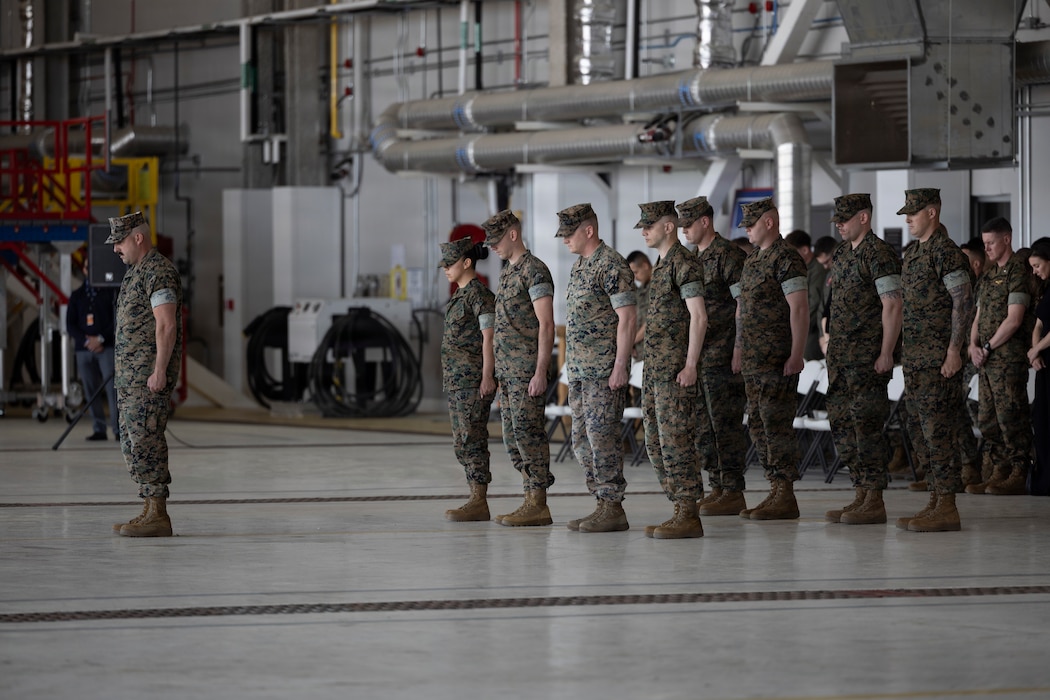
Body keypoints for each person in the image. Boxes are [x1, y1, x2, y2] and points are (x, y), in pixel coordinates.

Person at [895, 188, 973, 532]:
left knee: (940, 432)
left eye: (913, 213)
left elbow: (963, 304)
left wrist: (955, 350)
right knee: (922, 432)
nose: (908, 219)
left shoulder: (947, 253)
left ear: (932, 213)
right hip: (915, 359)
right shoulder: (914, 254)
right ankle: (935, 500)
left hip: (939, 359)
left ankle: (947, 506)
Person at [822, 194, 902, 525]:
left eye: (845, 218)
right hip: (841, 359)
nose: (839, 224)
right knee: (843, 426)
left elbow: (893, 306)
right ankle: (860, 492)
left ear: (864, 218)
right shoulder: (841, 255)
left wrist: (886, 352)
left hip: (868, 359)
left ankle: (875, 497)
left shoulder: (880, 254)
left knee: (867, 426)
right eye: (837, 219)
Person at [558, 203, 637, 533]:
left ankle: (612, 505)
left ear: (588, 230)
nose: (564, 240)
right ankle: (601, 502)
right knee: (580, 440)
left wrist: (620, 366)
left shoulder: (612, 265)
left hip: (603, 371)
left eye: (569, 233)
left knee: (602, 437)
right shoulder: (579, 266)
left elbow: (628, 318)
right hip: (579, 371)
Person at [108, 211, 183, 538]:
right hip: (130, 379)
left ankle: (158, 514)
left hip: (146, 378)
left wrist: (159, 371)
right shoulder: (136, 271)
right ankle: (149, 507)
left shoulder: (158, 271)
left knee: (147, 439)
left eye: (120, 241)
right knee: (133, 442)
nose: (115, 249)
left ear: (138, 237)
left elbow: (166, 324)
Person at [636, 200, 708, 539]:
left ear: (668, 226)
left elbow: (699, 316)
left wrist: (691, 364)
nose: (644, 232)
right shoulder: (661, 265)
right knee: (655, 442)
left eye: (649, 225)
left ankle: (688, 511)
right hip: (655, 370)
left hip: (676, 371)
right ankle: (678, 505)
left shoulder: (684, 263)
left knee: (677, 441)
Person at [734, 198, 808, 520]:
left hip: (777, 361)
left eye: (751, 224)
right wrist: (738, 349)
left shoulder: (786, 259)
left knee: (777, 427)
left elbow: (800, 308)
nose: (746, 230)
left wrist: (796, 353)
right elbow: (742, 311)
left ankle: (786, 493)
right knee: (760, 428)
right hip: (753, 360)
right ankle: (774, 488)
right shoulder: (752, 261)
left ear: (769, 222)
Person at [483, 209, 556, 527]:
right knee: (513, 439)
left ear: (513, 234)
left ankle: (538, 502)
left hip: (527, 371)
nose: (493, 247)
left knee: (529, 436)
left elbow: (546, 324)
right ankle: (529, 497)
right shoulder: (507, 272)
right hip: (508, 374)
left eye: (496, 240)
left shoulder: (534, 271)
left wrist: (541, 371)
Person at [677, 196, 749, 516]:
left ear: (705, 222)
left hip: (723, 353)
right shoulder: (693, 258)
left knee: (725, 424)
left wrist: (739, 348)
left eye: (688, 225)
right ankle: (717, 485)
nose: (684, 232)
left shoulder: (728, 255)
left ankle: (733, 489)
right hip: (700, 355)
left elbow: (743, 305)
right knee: (704, 427)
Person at [966, 217, 1033, 496]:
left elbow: (1014, 319)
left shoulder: (1019, 272)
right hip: (986, 361)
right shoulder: (988, 276)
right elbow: (978, 317)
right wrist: (972, 346)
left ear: (1007, 239)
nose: (987, 249)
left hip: (1007, 360)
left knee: (1011, 416)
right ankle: (997, 470)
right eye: (984, 244)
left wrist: (989, 347)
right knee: (988, 419)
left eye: (991, 243)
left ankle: (1019, 471)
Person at [439, 238, 498, 521]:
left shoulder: (480, 296)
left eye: (450, 264)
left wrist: (487, 376)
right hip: (457, 381)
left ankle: (479, 500)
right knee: (462, 441)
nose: (446, 269)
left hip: (473, 380)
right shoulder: (458, 296)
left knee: (472, 438)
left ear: (466, 263)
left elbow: (490, 339)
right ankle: (474, 496)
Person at [66, 258, 119, 441]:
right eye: (89, 267)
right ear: (84, 269)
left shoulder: (110, 293)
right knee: (90, 389)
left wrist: (101, 338)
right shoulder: (77, 295)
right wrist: (86, 341)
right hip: (84, 349)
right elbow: (70, 324)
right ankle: (99, 429)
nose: (92, 270)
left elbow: (116, 319)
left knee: (113, 388)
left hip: (106, 348)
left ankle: (118, 430)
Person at [1026, 237, 1050, 496]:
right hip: (1043, 364)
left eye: (1038, 265)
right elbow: (1039, 325)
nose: (1035, 271)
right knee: (1041, 421)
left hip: (1045, 356)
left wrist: (1037, 348)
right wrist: (1035, 352)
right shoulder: (1046, 288)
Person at [786, 229, 828, 361]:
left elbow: (814, 304)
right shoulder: (802, 269)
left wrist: (795, 327)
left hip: (812, 332)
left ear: (804, 250)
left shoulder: (818, 270)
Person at [626, 251, 652, 361]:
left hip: (653, 352)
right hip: (640, 354)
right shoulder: (641, 290)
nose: (635, 278)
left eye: (636, 272)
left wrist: (631, 341)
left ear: (645, 266)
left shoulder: (658, 287)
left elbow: (651, 321)